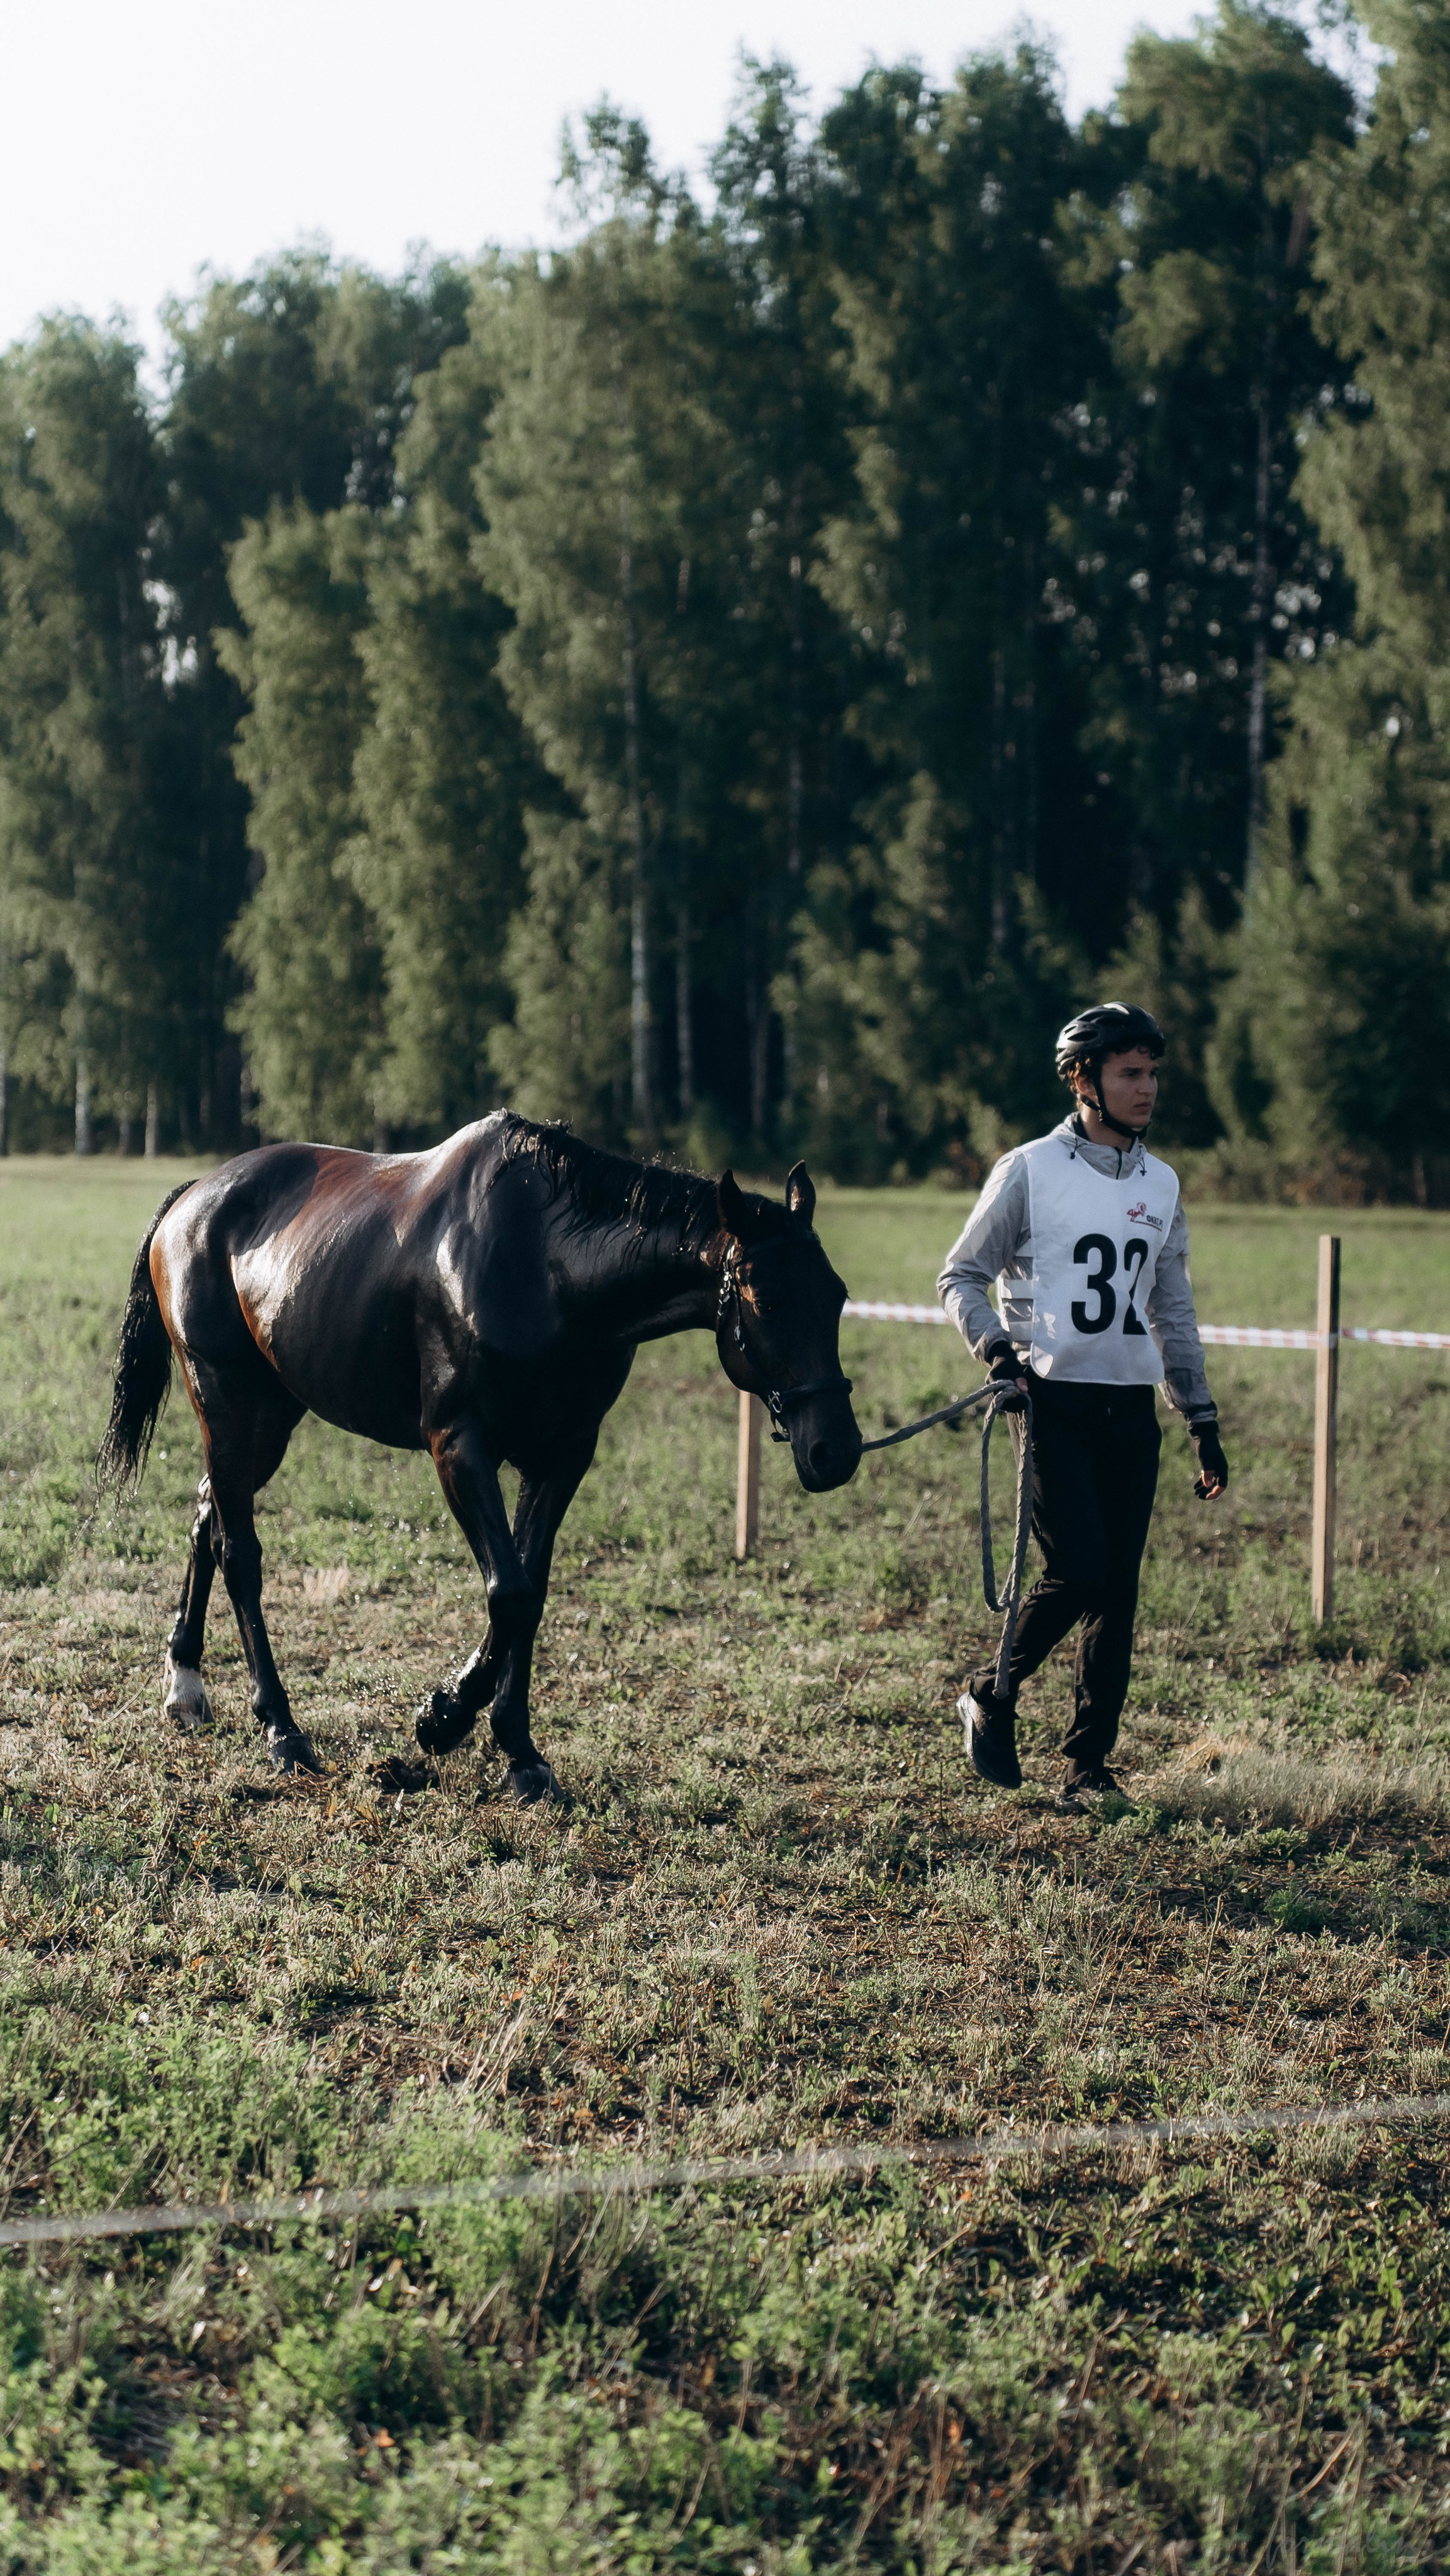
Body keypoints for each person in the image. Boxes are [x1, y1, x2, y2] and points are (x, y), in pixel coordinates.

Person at [937, 1002, 1229, 1814]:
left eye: (1152, 1073)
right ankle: (989, 1692)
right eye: (1129, 1073)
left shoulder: (1161, 1183)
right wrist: (996, 1350)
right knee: (1078, 1571)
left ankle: (1087, 1768)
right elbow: (960, 1276)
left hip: (1129, 1406)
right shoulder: (1028, 1169)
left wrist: (1200, 1417)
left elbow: (1171, 1309)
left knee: (1117, 1594)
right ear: (1082, 1079)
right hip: (1050, 1399)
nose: (1147, 1088)